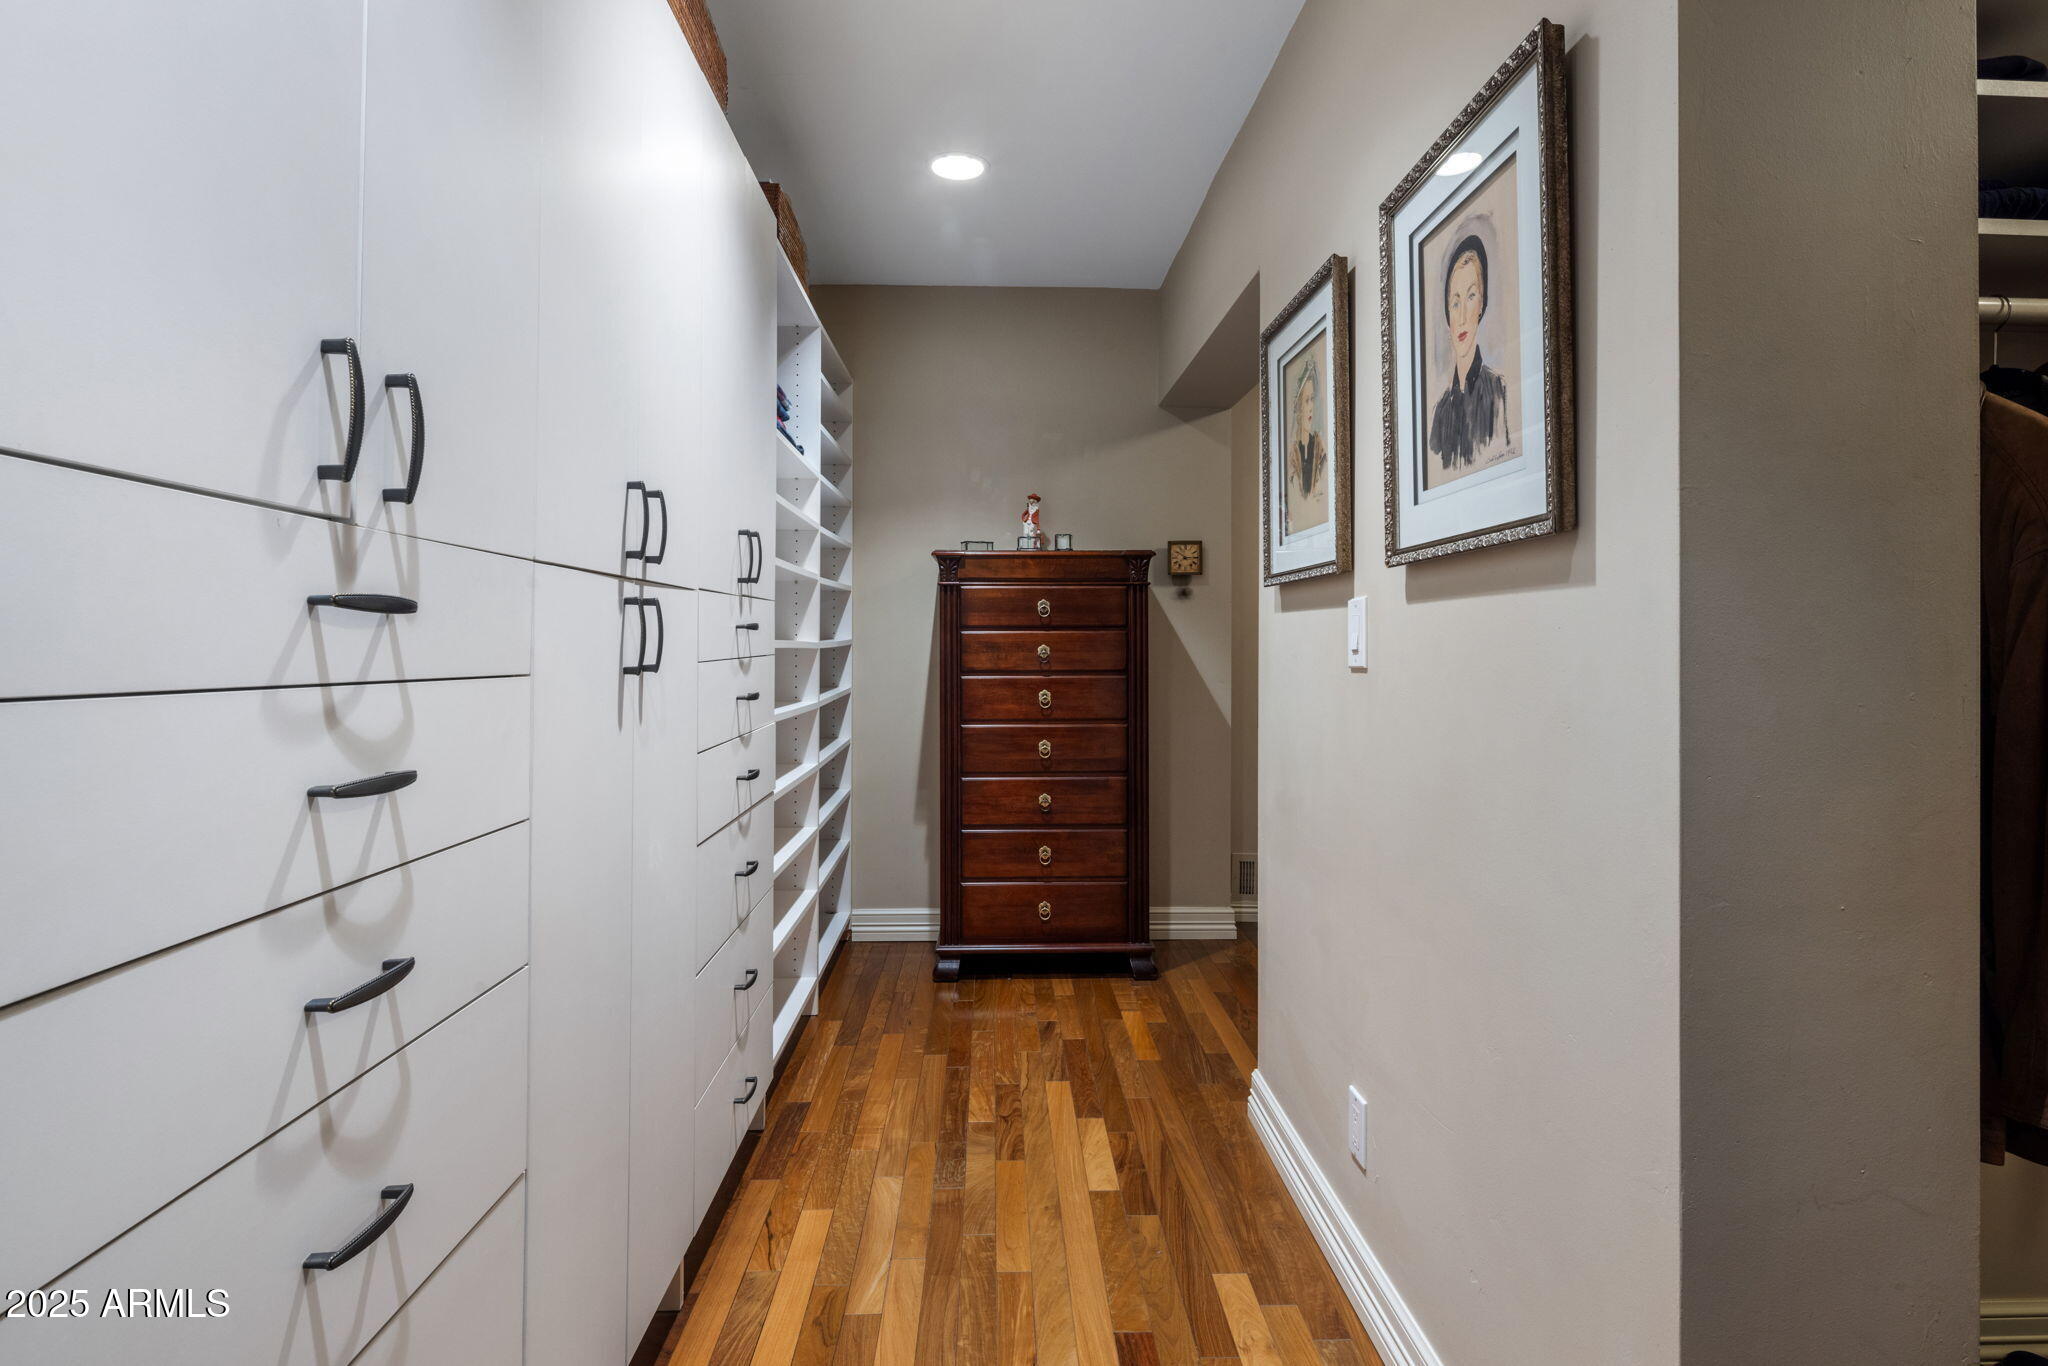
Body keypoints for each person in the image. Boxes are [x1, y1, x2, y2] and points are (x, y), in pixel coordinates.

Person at [1428, 233, 1512, 473]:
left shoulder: (1498, 391)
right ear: (1447, 313)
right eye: (1455, 303)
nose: (1463, 316)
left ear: (1482, 304)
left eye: (1471, 296)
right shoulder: (1441, 411)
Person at [1285, 358, 1326, 533]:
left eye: (1312, 400)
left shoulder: (1321, 448)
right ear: (1298, 407)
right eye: (1306, 401)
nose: (1311, 408)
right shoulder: (1292, 456)